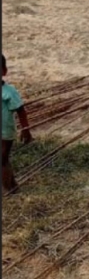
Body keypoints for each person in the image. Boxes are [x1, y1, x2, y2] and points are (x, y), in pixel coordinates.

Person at [2, 54, 34, 194]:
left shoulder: (9, 92)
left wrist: (25, 129)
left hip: (5, 133)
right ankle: (11, 185)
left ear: (4, 71)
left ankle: (11, 188)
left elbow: (21, 110)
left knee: (2, 159)